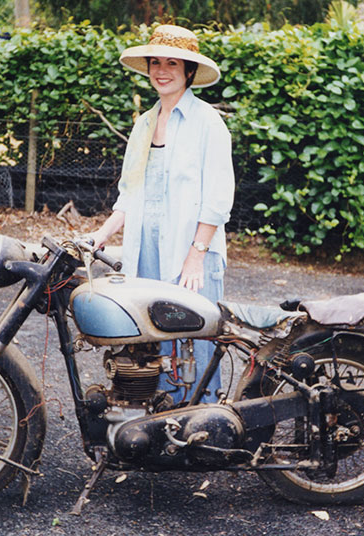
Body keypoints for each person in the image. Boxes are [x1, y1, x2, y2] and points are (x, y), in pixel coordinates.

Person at [89, 24, 235, 404]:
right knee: (153, 337)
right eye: (155, 62)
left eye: (172, 63)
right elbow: (130, 194)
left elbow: (218, 197)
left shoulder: (208, 123)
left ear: (188, 71)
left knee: (195, 339)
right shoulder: (143, 124)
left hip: (192, 253)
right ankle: (163, 421)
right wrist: (99, 237)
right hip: (146, 251)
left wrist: (195, 256)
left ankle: (202, 424)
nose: (162, 70)